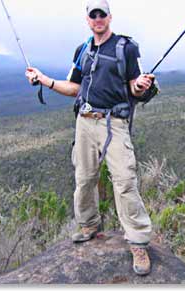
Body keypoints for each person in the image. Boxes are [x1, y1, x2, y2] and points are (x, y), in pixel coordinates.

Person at [25, 0, 154, 276]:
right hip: (84, 121)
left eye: (102, 14)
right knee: (84, 178)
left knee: (124, 182)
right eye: (93, 14)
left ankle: (138, 241)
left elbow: (135, 85)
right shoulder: (82, 50)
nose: (98, 18)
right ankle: (88, 224)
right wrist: (44, 80)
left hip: (114, 124)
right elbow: (74, 87)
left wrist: (141, 86)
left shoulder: (126, 48)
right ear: (87, 19)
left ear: (110, 17)